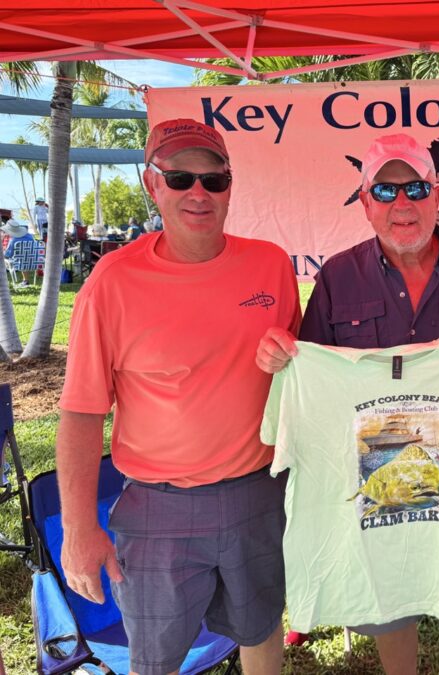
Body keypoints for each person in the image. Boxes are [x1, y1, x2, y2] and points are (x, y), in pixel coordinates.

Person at [257, 133, 439, 675]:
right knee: (387, 595)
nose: (401, 204)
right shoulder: (337, 275)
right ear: (365, 202)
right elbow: (314, 366)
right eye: (385, 190)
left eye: (415, 188)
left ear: (437, 195)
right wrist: (283, 359)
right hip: (374, 473)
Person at [57, 118, 301, 675]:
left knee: (261, 630)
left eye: (214, 181)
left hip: (259, 493)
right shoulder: (111, 282)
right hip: (158, 506)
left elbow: (301, 376)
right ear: (153, 184)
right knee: (156, 660)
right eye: (181, 178)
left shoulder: (270, 265)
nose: (199, 193)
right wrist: (78, 529)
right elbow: (80, 413)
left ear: (230, 187)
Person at [2, 219, 37, 286]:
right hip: (34, 260)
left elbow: (8, 255)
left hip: (20, 262)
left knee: (17, 258)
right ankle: (25, 280)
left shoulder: (13, 240)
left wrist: (3, 252)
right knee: (23, 257)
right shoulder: (30, 236)